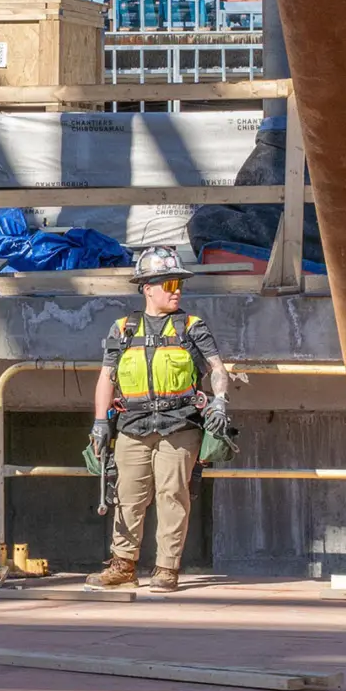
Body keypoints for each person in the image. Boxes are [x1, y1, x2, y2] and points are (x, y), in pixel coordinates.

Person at [87, 246, 230, 593]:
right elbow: (107, 376)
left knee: (172, 494)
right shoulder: (122, 329)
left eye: (178, 282)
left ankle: (167, 568)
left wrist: (220, 402)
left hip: (179, 425)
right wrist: (100, 423)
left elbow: (217, 368)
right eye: (168, 283)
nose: (176, 289)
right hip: (132, 427)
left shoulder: (192, 327)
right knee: (128, 495)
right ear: (147, 288)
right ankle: (123, 565)